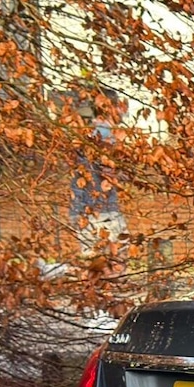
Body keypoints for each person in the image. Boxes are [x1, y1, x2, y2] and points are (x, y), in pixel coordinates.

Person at [70, 116, 128, 281]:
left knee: (98, 257)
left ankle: (102, 288)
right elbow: (108, 170)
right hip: (97, 212)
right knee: (110, 256)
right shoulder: (101, 141)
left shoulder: (84, 148)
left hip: (87, 212)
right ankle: (105, 289)